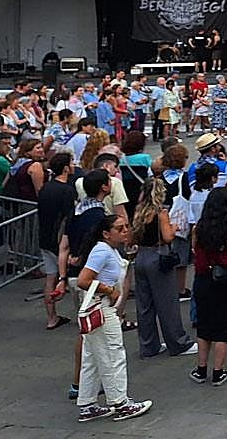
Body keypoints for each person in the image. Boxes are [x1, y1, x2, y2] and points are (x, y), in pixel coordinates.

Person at [73, 212, 152, 422]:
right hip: (102, 308)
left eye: (126, 226)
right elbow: (83, 280)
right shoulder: (102, 251)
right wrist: (109, 291)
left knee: (92, 357)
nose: (125, 231)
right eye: (120, 228)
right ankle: (120, 403)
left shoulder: (108, 250)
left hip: (99, 308)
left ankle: (87, 403)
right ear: (107, 234)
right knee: (113, 354)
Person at [131, 177, 196, 358]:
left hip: (141, 257)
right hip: (158, 257)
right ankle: (177, 343)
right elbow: (167, 237)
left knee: (144, 305)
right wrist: (173, 227)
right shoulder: (160, 213)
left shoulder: (139, 212)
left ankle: (149, 345)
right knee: (167, 304)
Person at [189, 188, 227, 385]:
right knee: (223, 326)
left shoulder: (199, 228)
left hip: (204, 279)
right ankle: (218, 371)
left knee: (204, 326)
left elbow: (195, 251)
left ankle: (201, 369)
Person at [38, 151, 77, 330]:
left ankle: (51, 317)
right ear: (66, 168)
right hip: (60, 240)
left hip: (44, 238)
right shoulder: (67, 190)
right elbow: (69, 218)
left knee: (50, 278)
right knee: (73, 279)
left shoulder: (46, 188)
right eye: (71, 163)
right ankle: (81, 315)